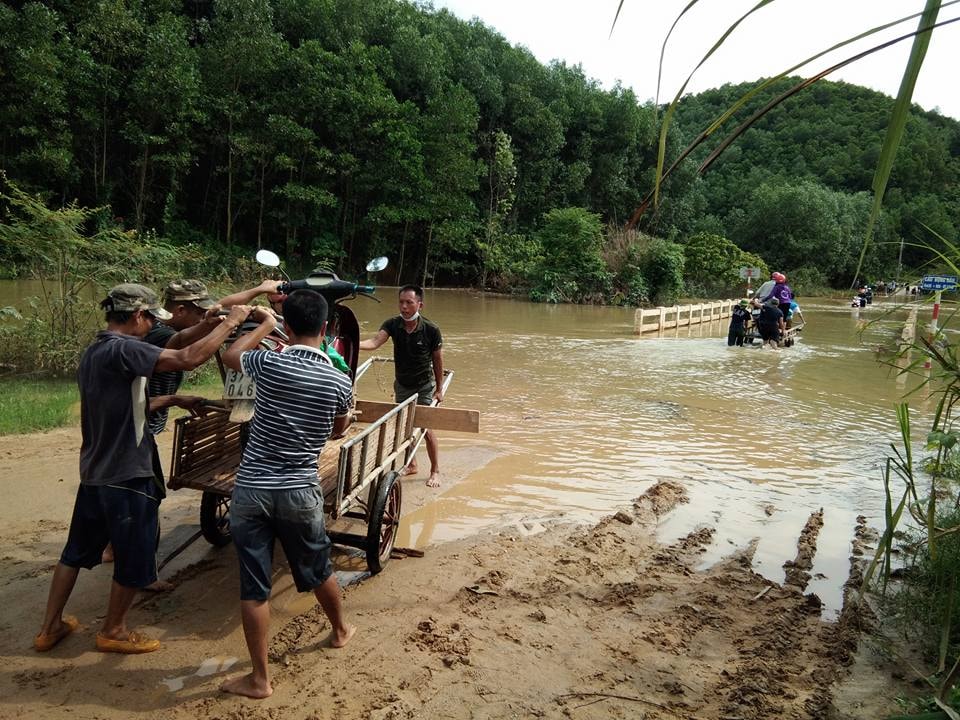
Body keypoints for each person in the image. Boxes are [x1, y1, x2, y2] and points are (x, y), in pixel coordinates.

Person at [34, 284, 252, 654]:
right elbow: (186, 357)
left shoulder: (97, 350)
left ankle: (50, 627)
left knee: (74, 553)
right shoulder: (125, 348)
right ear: (137, 315)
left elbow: (123, 400)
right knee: (134, 555)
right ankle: (114, 631)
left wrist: (171, 398)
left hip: (96, 470)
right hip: (127, 473)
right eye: (151, 317)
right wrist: (233, 321)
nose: (153, 325)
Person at [220, 290, 355, 699]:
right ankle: (340, 630)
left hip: (252, 490)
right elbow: (340, 428)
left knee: (253, 585)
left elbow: (230, 356)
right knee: (318, 567)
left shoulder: (269, 362)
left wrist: (263, 323)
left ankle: (260, 680)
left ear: (288, 328)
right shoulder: (338, 378)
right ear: (327, 329)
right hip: (299, 490)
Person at [359, 284, 444, 487]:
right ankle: (412, 464)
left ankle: (435, 470)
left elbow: (438, 361)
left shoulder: (431, 329)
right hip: (403, 385)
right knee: (405, 426)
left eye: (409, 303)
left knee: (425, 428)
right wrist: (354, 342)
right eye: (401, 302)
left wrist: (439, 389)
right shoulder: (393, 324)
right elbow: (374, 342)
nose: (404, 307)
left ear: (419, 305)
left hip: (424, 385)